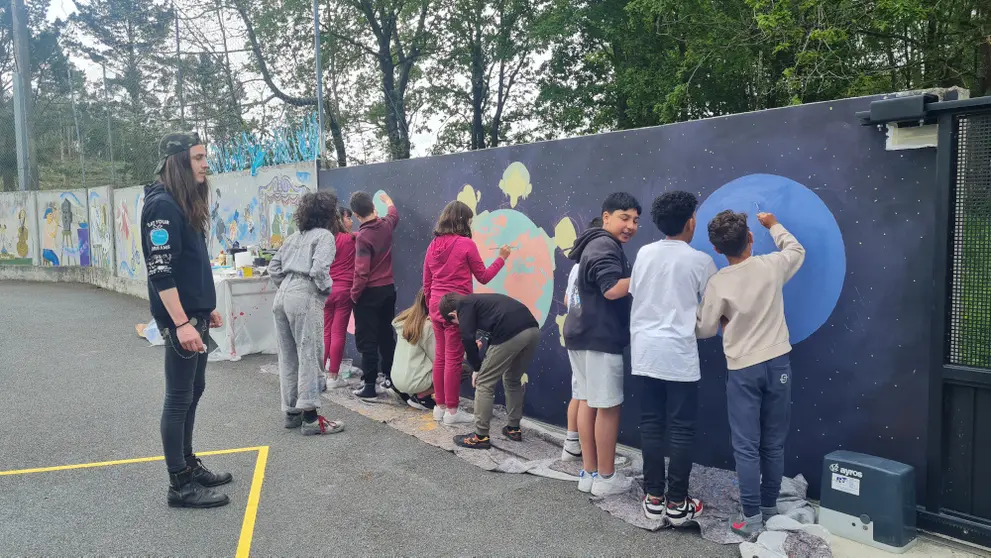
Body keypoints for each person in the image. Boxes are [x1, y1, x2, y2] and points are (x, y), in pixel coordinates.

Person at [696, 210, 805, 537]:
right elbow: (796, 250)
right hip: (778, 363)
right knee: (773, 442)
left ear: (717, 250)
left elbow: (702, 330)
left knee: (746, 445)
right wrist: (774, 225)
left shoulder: (719, 282)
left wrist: (726, 325)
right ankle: (770, 505)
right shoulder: (771, 265)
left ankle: (751, 516)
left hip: (743, 369)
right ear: (751, 238)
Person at [141, 131, 231, 509]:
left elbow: (189, 265)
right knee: (178, 397)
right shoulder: (161, 206)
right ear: (178, 161)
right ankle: (179, 483)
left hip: (194, 315)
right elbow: (160, 272)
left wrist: (203, 306)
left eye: (204, 156)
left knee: (194, 390)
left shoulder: (181, 203)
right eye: (197, 158)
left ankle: (189, 465)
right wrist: (181, 322)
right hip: (181, 321)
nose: (205, 164)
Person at [630, 191, 715, 525]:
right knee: (681, 429)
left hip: (645, 353)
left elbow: (638, 293)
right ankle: (678, 503)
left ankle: (653, 498)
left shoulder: (644, 253)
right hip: (679, 355)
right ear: (690, 221)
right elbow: (712, 309)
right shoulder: (700, 261)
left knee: (651, 424)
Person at [563, 192, 640, 497]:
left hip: (580, 333)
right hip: (599, 337)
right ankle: (606, 477)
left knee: (586, 400)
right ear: (606, 216)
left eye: (636, 220)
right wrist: (647, 273)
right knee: (607, 407)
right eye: (624, 217)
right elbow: (611, 290)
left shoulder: (592, 245)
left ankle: (590, 473)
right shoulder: (605, 246)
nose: (631, 226)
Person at [423, 200, 510, 426]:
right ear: (463, 220)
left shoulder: (433, 245)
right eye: (470, 220)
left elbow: (427, 281)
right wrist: (501, 258)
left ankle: (440, 407)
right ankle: (452, 411)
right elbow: (483, 276)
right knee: (452, 359)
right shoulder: (466, 244)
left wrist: (431, 307)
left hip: (435, 306)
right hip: (457, 309)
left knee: (440, 358)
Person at [269, 191, 345, 436]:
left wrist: (286, 286)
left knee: (288, 356)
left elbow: (273, 267)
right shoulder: (325, 236)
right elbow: (319, 269)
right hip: (304, 295)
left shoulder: (293, 237)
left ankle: (292, 412)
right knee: (309, 354)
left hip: (282, 296)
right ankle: (311, 417)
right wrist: (324, 289)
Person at [439, 293, 539, 449]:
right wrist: (481, 365)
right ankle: (513, 429)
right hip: (532, 330)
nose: (459, 325)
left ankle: (480, 436)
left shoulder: (463, 305)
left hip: (511, 332)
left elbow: (467, 338)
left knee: (484, 383)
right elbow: (493, 342)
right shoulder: (481, 304)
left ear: (453, 314)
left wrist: (477, 369)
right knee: (512, 379)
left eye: (455, 323)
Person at [349, 191, 400, 400]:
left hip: (368, 293)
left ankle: (369, 385)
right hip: (388, 289)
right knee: (386, 335)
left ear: (355, 215)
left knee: (367, 339)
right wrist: (388, 200)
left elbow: (362, 271)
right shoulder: (386, 225)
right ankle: (390, 378)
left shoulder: (363, 237)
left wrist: (354, 294)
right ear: (372, 207)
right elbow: (394, 214)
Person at [561, 216, 602, 462]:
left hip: (574, 331)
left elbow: (568, 300)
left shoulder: (577, 265)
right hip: (591, 336)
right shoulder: (596, 261)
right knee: (591, 396)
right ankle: (590, 456)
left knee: (579, 391)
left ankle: (571, 444)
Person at [323, 206, 356, 389]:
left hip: (325, 291)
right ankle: (333, 375)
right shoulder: (351, 239)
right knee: (338, 333)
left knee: (326, 332)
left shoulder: (324, 241)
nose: (351, 221)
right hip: (344, 291)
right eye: (348, 218)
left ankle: (322, 373)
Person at [390, 289, 438, 410]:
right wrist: (465, 352)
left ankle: (404, 391)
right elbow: (439, 359)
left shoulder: (405, 318)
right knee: (460, 369)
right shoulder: (428, 327)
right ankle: (421, 396)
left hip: (397, 379)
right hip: (416, 382)